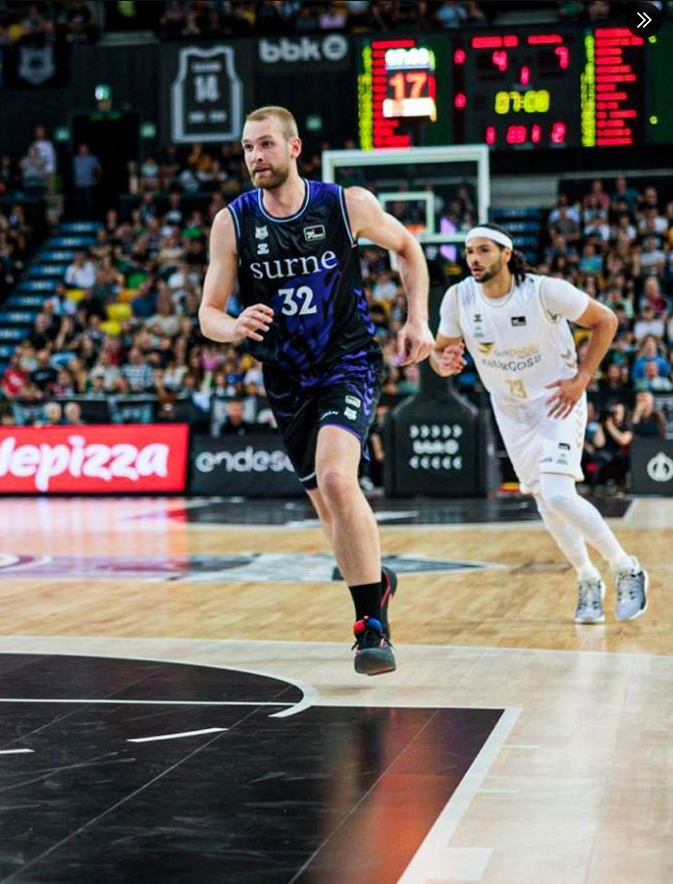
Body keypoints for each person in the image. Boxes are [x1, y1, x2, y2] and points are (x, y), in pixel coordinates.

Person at [199, 105, 434, 675]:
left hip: (346, 361)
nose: (255, 156)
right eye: (248, 147)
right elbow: (208, 313)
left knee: (335, 477)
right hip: (285, 377)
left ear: (294, 146)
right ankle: (376, 585)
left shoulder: (343, 204)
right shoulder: (233, 222)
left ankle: (370, 626)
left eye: (265, 144)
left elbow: (409, 248)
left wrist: (418, 319)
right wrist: (234, 326)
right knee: (329, 509)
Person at [431, 224, 648, 624]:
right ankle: (587, 578)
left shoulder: (544, 291)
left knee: (558, 494)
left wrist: (582, 378)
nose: (473, 258)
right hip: (510, 409)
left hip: (557, 402)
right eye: (469, 251)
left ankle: (626, 567)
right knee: (544, 500)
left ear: (506, 253)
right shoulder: (458, 297)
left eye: (483, 250)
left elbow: (606, 320)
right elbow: (439, 353)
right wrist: (442, 362)